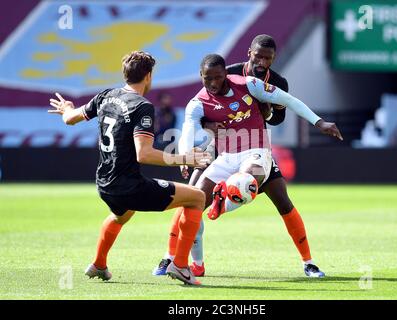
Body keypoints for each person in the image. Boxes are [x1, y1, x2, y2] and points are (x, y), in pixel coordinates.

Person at [152, 53, 342, 277]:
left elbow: (288, 101)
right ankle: (191, 263)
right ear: (200, 76)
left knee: (259, 188)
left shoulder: (250, 84)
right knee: (191, 202)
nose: (212, 83)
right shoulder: (197, 103)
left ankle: (308, 263)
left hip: (257, 152)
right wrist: (184, 156)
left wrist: (319, 122)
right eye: (207, 78)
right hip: (225, 156)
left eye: (217, 77)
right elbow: (187, 131)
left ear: (226, 74)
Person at [48, 51, 212, 286]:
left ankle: (99, 264)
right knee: (196, 197)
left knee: (121, 214)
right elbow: (143, 153)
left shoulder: (106, 96)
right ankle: (181, 265)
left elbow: (70, 119)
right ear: (148, 76)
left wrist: (66, 109)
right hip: (128, 186)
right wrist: (185, 158)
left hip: (104, 183)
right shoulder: (142, 106)